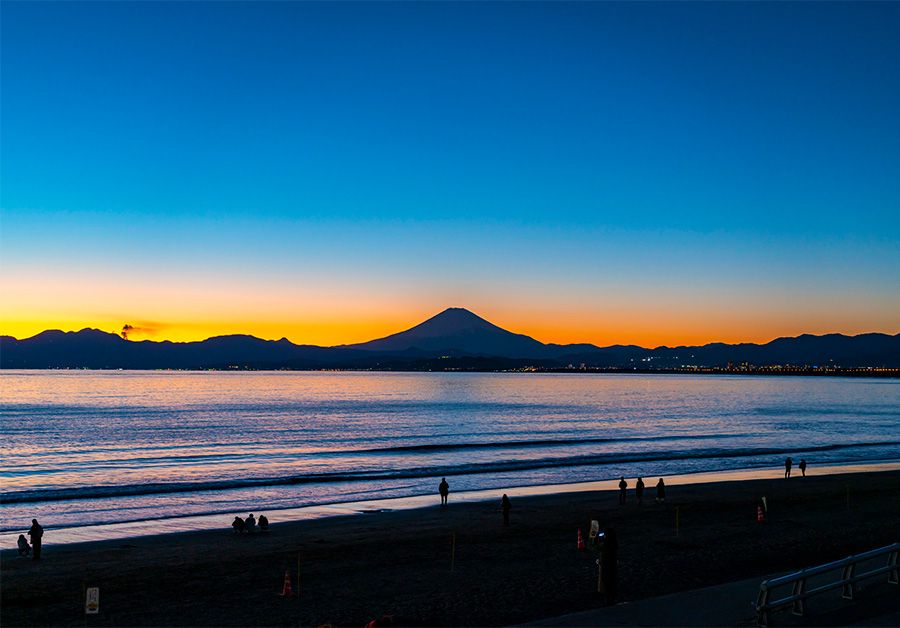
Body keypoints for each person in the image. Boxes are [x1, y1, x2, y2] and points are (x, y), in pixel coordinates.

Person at [600, 527, 619, 605]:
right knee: (612, 580)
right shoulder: (613, 543)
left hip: (607, 563)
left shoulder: (606, 543)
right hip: (612, 563)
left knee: (607, 580)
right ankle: (612, 598)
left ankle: (608, 598)